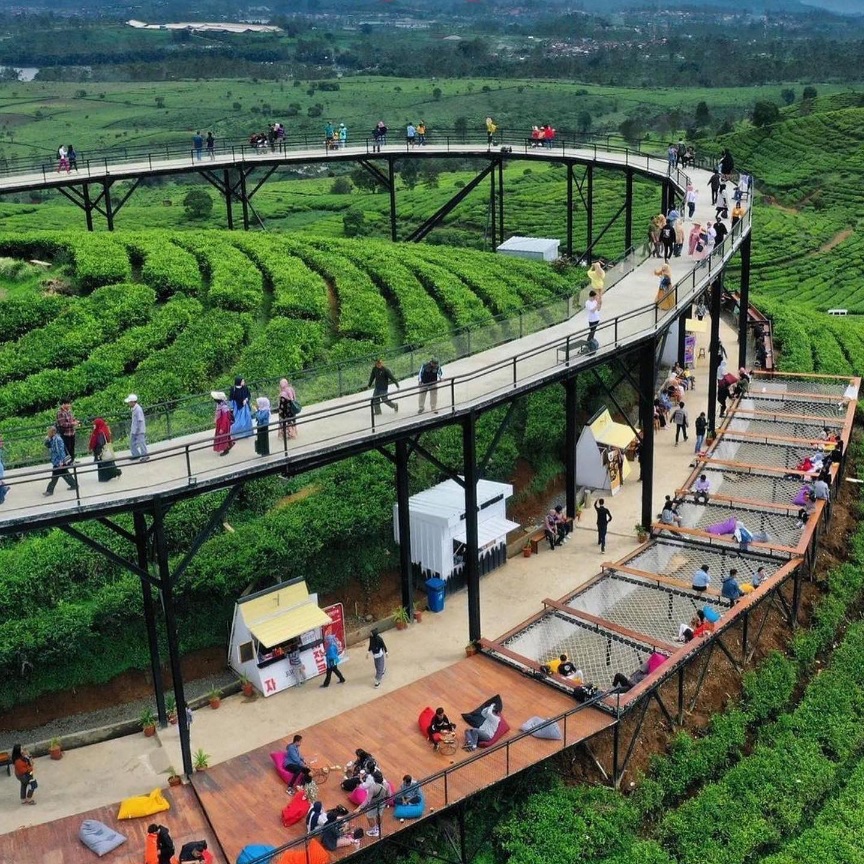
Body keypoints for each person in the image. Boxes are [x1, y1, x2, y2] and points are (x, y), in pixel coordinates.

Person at [43, 425, 77, 496]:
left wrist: (61, 461)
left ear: (53, 432)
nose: (47, 433)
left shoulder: (58, 439)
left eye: (48, 432)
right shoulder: (52, 439)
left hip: (59, 461)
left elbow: (61, 451)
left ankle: (49, 491)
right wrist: (48, 440)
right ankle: (74, 485)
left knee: (54, 476)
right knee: (65, 473)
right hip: (57, 460)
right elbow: (48, 445)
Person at [354, 769, 389, 837]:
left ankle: (374, 831)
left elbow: (367, 800)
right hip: (382, 803)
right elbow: (389, 795)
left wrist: (359, 808)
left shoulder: (373, 788)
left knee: (369, 816)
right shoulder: (386, 784)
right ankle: (378, 828)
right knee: (379, 814)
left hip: (373, 804)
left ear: (374, 779)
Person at [89, 417, 122, 482]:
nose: (94, 425)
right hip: (102, 451)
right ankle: (109, 475)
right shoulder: (101, 430)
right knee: (106, 464)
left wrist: (98, 452)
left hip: (101, 452)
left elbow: (101, 443)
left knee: (105, 464)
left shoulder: (100, 432)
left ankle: (115, 473)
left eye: (95, 424)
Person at [125, 394, 149, 461]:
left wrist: (137, 430)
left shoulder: (138, 409)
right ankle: (136, 454)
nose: (128, 403)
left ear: (133, 402)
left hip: (139, 430)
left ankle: (145, 455)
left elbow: (140, 420)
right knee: (132, 443)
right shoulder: (134, 408)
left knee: (141, 442)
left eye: (129, 402)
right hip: (134, 429)